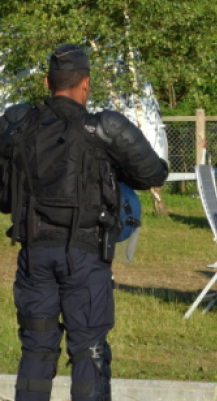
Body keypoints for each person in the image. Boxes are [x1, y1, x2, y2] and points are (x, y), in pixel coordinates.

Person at [0, 44, 169, 401]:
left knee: (36, 349)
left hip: (34, 258)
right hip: (85, 258)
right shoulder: (103, 128)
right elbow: (154, 172)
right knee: (89, 350)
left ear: (47, 82)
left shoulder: (17, 125)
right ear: (87, 83)